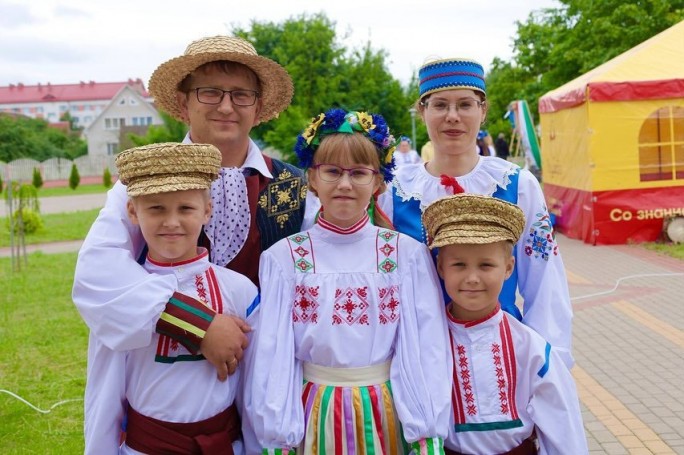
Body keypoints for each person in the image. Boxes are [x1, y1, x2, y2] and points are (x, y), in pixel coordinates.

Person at [73, 35, 313, 385]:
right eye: (210, 92)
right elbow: (97, 272)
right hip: (162, 380)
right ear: (184, 104)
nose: (227, 107)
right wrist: (198, 324)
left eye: (241, 95)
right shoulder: (145, 179)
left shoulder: (294, 187)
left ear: (258, 109)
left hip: (264, 377)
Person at [245, 109, 452, 454]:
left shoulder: (405, 255)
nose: (344, 184)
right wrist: (277, 432)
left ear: (378, 181)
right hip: (313, 413)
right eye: (332, 171)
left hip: (388, 411)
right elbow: (273, 352)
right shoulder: (285, 259)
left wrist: (425, 428)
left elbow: (424, 345)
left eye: (358, 173)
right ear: (311, 178)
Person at [378, 57, 575, 368]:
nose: (453, 117)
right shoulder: (394, 191)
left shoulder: (516, 185)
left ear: (483, 111)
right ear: (422, 111)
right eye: (440, 105)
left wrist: (547, 367)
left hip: (500, 356)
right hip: (419, 359)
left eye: (465, 105)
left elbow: (545, 283)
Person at [84, 142, 259, 454]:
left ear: (207, 210)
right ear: (132, 211)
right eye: (156, 208)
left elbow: (253, 386)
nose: (172, 222)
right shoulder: (123, 300)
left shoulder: (239, 290)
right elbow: (106, 387)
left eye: (186, 208)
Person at [422, 194, 588, 455]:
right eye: (459, 265)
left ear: (508, 268)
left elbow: (563, 426)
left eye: (486, 265)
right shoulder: (425, 344)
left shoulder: (530, 348)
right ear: (441, 267)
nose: (473, 278)